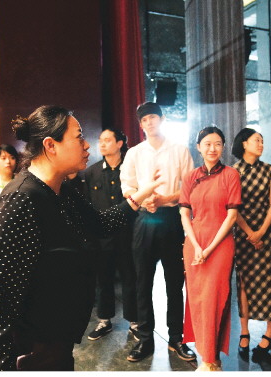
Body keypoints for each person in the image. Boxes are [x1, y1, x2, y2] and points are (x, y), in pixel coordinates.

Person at [0, 105, 163, 371]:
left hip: (58, 341)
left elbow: (100, 225)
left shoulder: (61, 190)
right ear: (51, 145)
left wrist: (140, 194)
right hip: (31, 351)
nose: (87, 145)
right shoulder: (20, 200)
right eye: (79, 136)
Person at [120, 102, 196, 363]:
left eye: (153, 117)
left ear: (162, 120)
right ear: (140, 125)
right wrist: (144, 200)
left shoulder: (179, 150)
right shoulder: (134, 153)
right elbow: (127, 186)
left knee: (174, 282)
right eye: (144, 120)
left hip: (171, 218)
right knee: (143, 281)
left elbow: (189, 186)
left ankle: (176, 338)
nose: (149, 122)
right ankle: (145, 339)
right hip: (144, 219)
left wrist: (165, 199)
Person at [179, 126, 241, 371]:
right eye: (207, 144)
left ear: (223, 147)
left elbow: (232, 217)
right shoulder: (190, 177)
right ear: (199, 147)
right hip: (194, 243)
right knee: (197, 299)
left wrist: (209, 248)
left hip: (220, 244)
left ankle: (210, 359)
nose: (212, 148)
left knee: (215, 298)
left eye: (217, 144)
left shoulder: (231, 175)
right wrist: (196, 246)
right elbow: (184, 214)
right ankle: (207, 357)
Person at [231, 128, 271, 362]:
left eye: (262, 141)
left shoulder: (270, 170)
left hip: (266, 234)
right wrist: (250, 233)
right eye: (256, 140)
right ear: (244, 144)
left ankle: (270, 333)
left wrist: (260, 232)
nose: (261, 144)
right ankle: (244, 331)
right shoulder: (233, 172)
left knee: (270, 281)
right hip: (242, 234)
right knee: (244, 281)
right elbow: (232, 207)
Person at [83, 128, 139, 341]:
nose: (102, 144)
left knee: (130, 278)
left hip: (128, 233)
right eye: (101, 140)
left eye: (107, 140)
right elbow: (88, 205)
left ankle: (134, 322)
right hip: (102, 236)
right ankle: (104, 320)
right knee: (103, 278)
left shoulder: (131, 169)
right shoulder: (92, 172)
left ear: (119, 144)